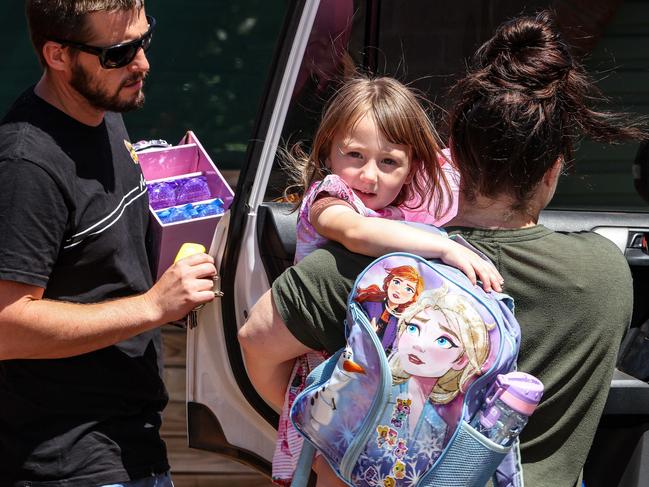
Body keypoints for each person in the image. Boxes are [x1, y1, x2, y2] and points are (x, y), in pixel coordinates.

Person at [239, 10, 647, 487]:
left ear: (450, 151)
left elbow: (255, 342)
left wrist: (332, 430)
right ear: (554, 168)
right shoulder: (607, 274)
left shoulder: (366, 271)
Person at [0, 1, 217, 485]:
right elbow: (6, 326)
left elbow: (102, 266)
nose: (142, 63)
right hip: (68, 462)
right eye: (118, 53)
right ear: (58, 55)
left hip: (133, 443)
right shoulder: (26, 167)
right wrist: (155, 306)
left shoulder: (102, 114)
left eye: (144, 39)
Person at [271, 76, 503, 484]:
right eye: (355, 155)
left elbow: (451, 168)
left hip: (381, 371)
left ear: (413, 164)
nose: (369, 175)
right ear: (327, 152)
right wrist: (446, 248)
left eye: (389, 162)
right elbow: (356, 232)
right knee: (329, 466)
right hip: (331, 370)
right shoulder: (331, 197)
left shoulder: (409, 204)